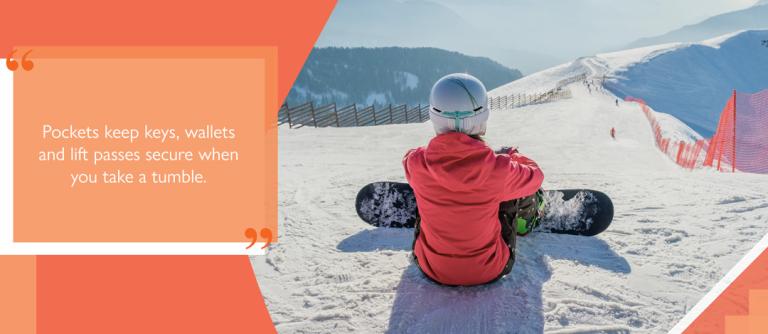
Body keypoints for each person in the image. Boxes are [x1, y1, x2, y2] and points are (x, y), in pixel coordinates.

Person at [402, 73, 544, 286]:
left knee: (423, 190)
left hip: (430, 268)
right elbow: (535, 176)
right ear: (482, 119)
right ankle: (526, 221)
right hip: (490, 269)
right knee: (512, 191)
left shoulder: (416, 163)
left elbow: (410, 157)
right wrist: (511, 156)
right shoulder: (499, 169)